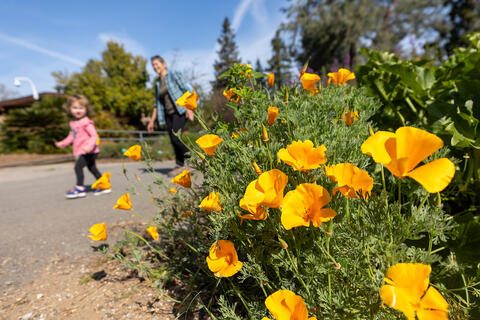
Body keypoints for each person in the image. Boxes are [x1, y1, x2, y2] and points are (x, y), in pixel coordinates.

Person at [55, 94, 111, 199]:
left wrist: (89, 146)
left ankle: (79, 188)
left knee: (78, 167)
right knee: (92, 168)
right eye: (75, 108)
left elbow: (94, 135)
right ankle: (104, 185)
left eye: (81, 108)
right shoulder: (73, 123)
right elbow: (72, 136)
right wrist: (63, 143)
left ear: (86, 109)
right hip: (85, 151)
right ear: (69, 108)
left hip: (90, 151)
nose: (78, 110)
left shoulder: (86, 122)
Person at [147, 55, 194, 176]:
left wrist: (190, 108)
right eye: (153, 65)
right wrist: (152, 121)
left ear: (164, 64)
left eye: (157, 64)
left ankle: (193, 159)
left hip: (180, 111)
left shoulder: (173, 75)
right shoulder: (158, 83)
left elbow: (186, 90)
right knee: (173, 141)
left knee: (176, 137)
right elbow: (156, 104)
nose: (155, 67)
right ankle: (179, 165)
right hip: (167, 115)